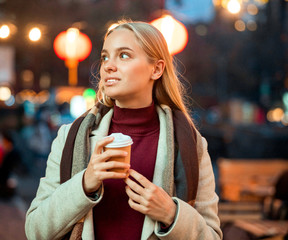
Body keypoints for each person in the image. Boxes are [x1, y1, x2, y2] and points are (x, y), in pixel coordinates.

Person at [25, 20, 222, 240]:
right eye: (105, 57)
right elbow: (35, 231)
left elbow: (212, 236)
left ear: (156, 69)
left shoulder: (188, 144)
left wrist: (171, 214)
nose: (108, 65)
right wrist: (84, 183)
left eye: (124, 55)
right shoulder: (70, 137)